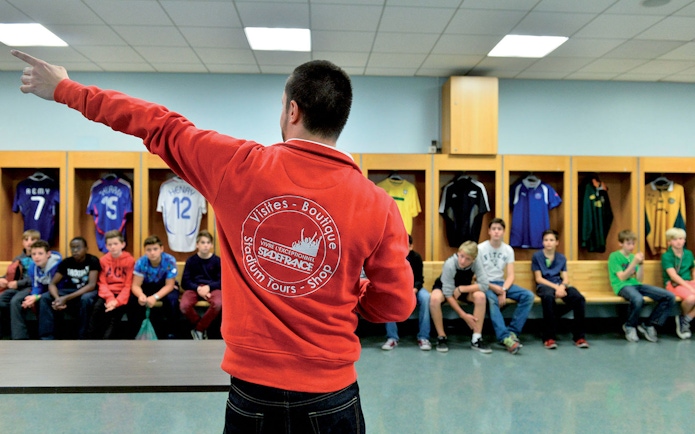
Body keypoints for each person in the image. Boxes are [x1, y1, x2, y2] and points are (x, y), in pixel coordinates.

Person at [13, 50, 415, 433]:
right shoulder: (378, 203)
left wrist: (66, 89)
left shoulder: (237, 166)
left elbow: (156, 123)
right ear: (339, 120)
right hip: (332, 395)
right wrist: (350, 290)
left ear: (293, 110)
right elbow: (394, 305)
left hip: (253, 390)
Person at [477, 218, 534, 354]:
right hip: (485, 285)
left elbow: (510, 275)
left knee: (528, 296)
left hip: (501, 284)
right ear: (489, 231)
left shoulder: (508, 250)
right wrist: (493, 287)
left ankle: (512, 332)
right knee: (492, 300)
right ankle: (504, 338)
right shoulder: (480, 248)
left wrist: (503, 290)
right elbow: (477, 276)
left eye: (499, 229)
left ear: (503, 232)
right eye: (494, 229)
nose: (496, 232)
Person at [608, 229, 675, 342]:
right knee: (638, 299)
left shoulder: (633, 257)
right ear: (621, 243)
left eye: (633, 243)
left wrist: (641, 264)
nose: (631, 246)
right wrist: (634, 262)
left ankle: (649, 324)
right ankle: (630, 326)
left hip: (636, 285)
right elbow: (622, 277)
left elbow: (639, 279)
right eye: (628, 243)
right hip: (622, 286)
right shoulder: (614, 257)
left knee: (669, 296)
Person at [531, 229, 589, 349]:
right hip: (545, 286)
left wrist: (562, 287)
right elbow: (538, 278)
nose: (548, 243)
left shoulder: (561, 258)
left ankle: (579, 337)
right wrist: (556, 287)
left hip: (559, 285)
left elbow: (565, 279)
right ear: (542, 242)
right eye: (546, 240)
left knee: (578, 298)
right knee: (548, 297)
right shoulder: (537, 256)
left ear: (557, 242)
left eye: (551, 240)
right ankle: (549, 337)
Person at [429, 241, 491, 353]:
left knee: (481, 296)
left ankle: (476, 338)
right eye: (461, 256)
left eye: (467, 259)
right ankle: (441, 337)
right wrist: (463, 315)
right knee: (434, 299)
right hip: (444, 287)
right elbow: (448, 293)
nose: (463, 261)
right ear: (458, 253)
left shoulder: (477, 263)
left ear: (473, 259)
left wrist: (462, 289)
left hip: (462, 288)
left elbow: (485, 285)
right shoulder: (450, 263)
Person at [39, 237, 100, 339]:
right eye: (72, 248)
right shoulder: (66, 262)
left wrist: (66, 298)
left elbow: (91, 285)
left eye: (78, 247)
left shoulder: (92, 260)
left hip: (87, 291)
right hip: (71, 291)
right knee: (45, 297)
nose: (75, 250)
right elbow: (52, 284)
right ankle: (47, 337)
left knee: (85, 299)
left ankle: (82, 337)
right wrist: (57, 298)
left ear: (86, 248)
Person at [381, 235, 431, 351]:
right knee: (388, 297)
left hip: (414, 289)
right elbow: (390, 279)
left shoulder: (416, 258)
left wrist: (414, 290)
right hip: (398, 289)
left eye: (406, 246)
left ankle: (423, 337)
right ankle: (392, 337)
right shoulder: (392, 258)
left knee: (426, 297)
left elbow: (420, 279)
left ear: (411, 246)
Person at [129, 235, 179, 339]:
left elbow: (169, 285)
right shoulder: (141, 262)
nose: (152, 253)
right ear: (145, 251)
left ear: (161, 249)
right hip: (147, 286)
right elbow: (135, 285)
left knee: (172, 300)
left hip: (165, 286)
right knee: (133, 300)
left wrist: (155, 297)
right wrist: (141, 295)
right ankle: (134, 332)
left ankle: (172, 332)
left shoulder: (170, 260)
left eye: (155, 249)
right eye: (149, 250)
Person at [9, 239, 61, 339]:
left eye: (40, 253)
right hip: (45, 290)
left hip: (59, 291)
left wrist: (38, 296)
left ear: (48, 254)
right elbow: (36, 285)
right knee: (24, 300)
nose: (36, 257)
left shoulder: (57, 265)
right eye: (33, 254)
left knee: (44, 299)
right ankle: (20, 338)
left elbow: (59, 287)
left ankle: (47, 337)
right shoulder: (32, 267)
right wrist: (33, 296)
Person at [88, 230, 135, 339]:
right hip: (107, 294)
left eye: (115, 244)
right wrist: (110, 299)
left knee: (115, 316)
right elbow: (102, 283)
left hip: (122, 295)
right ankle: (90, 339)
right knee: (97, 310)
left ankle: (108, 340)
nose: (113, 247)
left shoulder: (130, 260)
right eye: (110, 244)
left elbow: (128, 285)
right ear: (106, 246)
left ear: (123, 244)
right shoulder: (103, 260)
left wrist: (116, 302)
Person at [180, 230, 222, 340]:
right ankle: (201, 327)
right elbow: (185, 281)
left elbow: (221, 281)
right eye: (202, 242)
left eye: (208, 242)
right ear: (197, 244)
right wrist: (198, 289)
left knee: (218, 303)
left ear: (212, 245)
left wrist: (208, 287)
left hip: (212, 288)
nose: (205, 245)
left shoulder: (217, 261)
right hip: (194, 288)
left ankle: (199, 329)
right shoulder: (191, 260)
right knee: (184, 305)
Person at [0, 229, 39, 338]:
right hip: (15, 287)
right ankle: (4, 334)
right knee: (1, 300)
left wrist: (18, 283)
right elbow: (10, 274)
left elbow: (37, 277)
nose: (29, 242)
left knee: (15, 301)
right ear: (23, 242)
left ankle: (19, 336)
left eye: (33, 239)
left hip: (30, 287)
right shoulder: (18, 258)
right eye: (26, 240)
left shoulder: (38, 257)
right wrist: (2, 280)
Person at [661, 227, 695, 339]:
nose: (679, 241)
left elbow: (693, 269)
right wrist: (690, 288)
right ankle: (684, 321)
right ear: (669, 242)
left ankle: (685, 319)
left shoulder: (689, 254)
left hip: (689, 282)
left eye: (681, 239)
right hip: (673, 284)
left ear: (685, 240)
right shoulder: (666, 256)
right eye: (675, 239)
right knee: (691, 298)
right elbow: (673, 276)